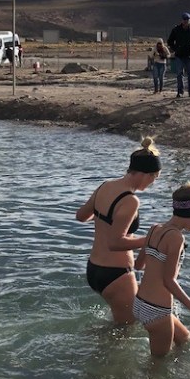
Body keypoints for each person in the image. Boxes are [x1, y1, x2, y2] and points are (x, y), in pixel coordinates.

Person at [76, 137, 161, 324]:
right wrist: (151, 238)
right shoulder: (130, 200)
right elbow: (115, 243)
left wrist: (104, 220)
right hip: (116, 273)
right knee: (125, 332)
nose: (152, 183)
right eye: (154, 178)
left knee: (116, 327)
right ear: (145, 174)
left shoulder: (105, 186)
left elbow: (81, 216)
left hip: (94, 269)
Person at [133, 180, 190, 356]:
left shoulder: (154, 229)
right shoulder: (176, 238)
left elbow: (139, 265)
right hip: (157, 310)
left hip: (140, 303)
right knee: (157, 368)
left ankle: (183, 373)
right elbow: (168, 280)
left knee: (185, 338)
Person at [167, 13, 190, 98]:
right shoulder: (176, 30)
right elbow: (170, 41)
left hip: (189, 55)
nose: (186, 21)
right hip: (179, 56)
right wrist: (175, 49)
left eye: (187, 20)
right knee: (179, 74)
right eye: (184, 20)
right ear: (182, 20)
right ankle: (180, 92)